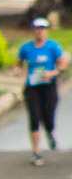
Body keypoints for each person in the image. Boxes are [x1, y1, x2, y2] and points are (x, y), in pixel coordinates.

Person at [16, 17, 67, 166]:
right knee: (34, 117)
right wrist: (17, 70)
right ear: (34, 30)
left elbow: (63, 65)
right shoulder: (26, 48)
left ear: (46, 31)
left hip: (48, 87)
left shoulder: (53, 47)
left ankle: (50, 132)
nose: (40, 31)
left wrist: (53, 73)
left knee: (48, 117)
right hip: (32, 87)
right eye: (38, 28)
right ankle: (36, 152)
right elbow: (18, 64)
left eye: (43, 29)